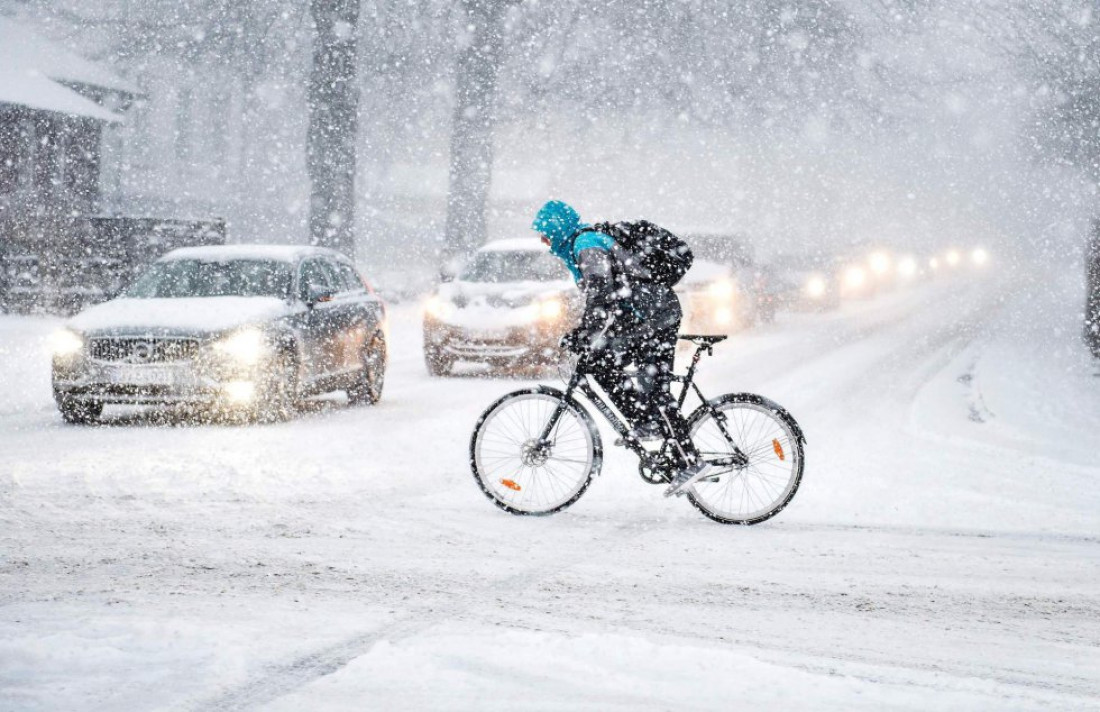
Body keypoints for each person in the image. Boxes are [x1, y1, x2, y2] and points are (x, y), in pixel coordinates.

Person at [531, 199, 711, 496]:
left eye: (544, 232)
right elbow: (605, 296)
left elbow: (602, 292)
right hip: (644, 319)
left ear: (557, 228)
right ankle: (646, 422)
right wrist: (587, 332)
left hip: (654, 318)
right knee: (603, 364)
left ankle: (689, 461)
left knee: (653, 387)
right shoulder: (582, 244)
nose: (542, 240)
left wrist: (585, 333)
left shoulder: (586, 244)